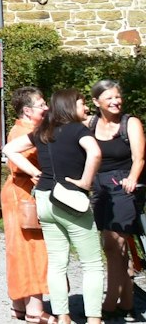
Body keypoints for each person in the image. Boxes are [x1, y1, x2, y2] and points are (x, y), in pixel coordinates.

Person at [34, 89, 105, 324]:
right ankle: (94, 318)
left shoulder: (44, 131)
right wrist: (86, 181)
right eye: (82, 104)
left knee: (57, 262)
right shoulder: (78, 130)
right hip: (71, 201)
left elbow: (9, 149)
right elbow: (95, 153)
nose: (86, 109)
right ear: (69, 106)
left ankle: (62, 316)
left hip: (44, 199)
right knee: (92, 263)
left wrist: (34, 172)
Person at [90, 80, 143, 321]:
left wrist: (132, 178)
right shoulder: (90, 123)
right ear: (96, 102)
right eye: (109, 98)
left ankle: (109, 304)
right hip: (100, 187)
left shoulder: (129, 123)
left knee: (114, 244)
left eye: (117, 97)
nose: (115, 102)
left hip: (124, 185)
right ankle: (128, 301)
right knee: (113, 246)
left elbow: (139, 158)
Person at [4, 86, 53, 323]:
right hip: (22, 194)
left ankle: (19, 306)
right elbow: (15, 163)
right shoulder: (21, 132)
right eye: (41, 105)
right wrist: (36, 173)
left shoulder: (30, 129)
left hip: (21, 193)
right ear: (27, 110)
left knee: (20, 249)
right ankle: (35, 309)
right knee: (33, 250)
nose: (46, 108)